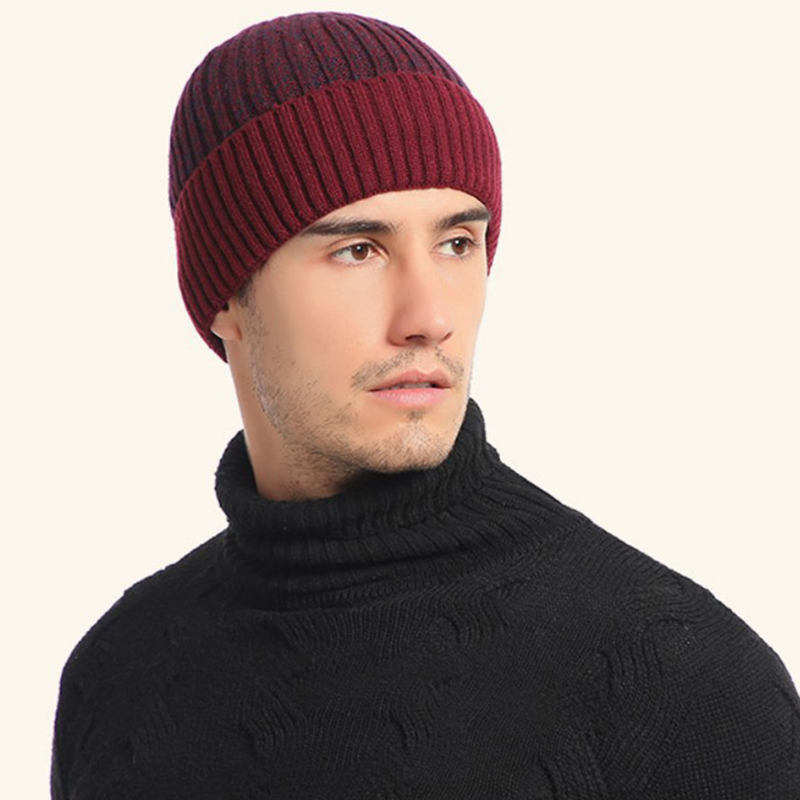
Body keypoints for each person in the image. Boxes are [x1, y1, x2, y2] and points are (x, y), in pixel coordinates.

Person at [51, 11, 799, 799]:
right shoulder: (119, 674)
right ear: (225, 298)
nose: (430, 316)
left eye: (457, 244)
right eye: (358, 250)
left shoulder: (681, 686)